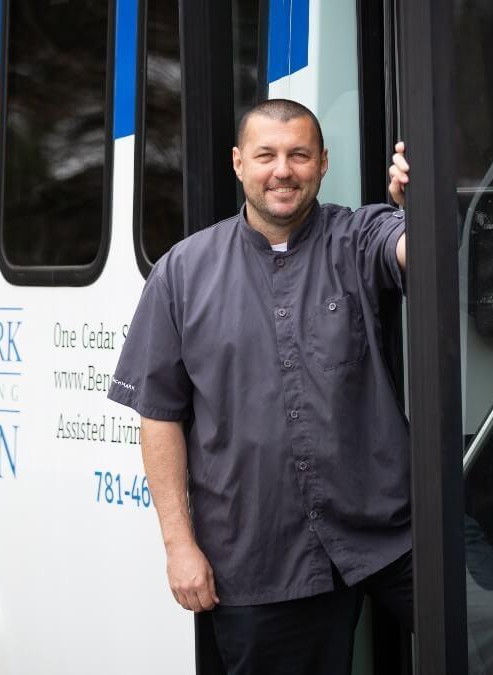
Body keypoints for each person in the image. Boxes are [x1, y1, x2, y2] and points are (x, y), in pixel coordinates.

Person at [108, 98, 413, 674]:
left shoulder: (358, 236)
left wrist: (419, 207)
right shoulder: (181, 271)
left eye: (298, 155)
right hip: (261, 554)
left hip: (389, 528)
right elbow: (158, 415)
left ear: (323, 163)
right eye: (266, 155)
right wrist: (179, 546)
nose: (282, 170)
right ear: (238, 164)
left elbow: (413, 253)